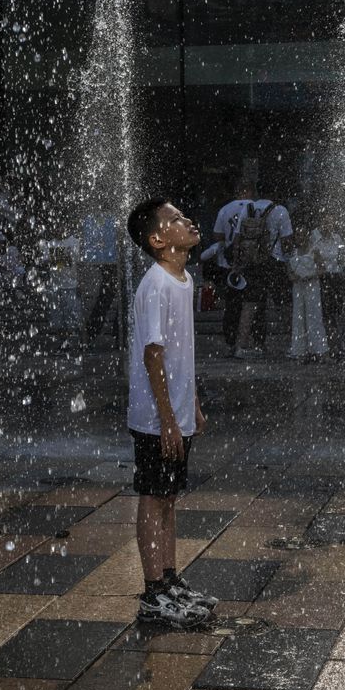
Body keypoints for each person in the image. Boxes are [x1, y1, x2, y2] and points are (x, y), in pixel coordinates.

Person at [125, 198, 218, 628]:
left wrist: (190, 405)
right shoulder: (156, 285)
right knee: (153, 495)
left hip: (175, 414)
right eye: (176, 219)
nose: (188, 221)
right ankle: (152, 593)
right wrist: (165, 419)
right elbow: (154, 357)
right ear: (159, 240)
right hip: (154, 419)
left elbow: (184, 355)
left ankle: (169, 578)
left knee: (168, 497)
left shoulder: (183, 280)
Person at [211, 180, 292, 358]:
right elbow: (287, 241)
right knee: (285, 304)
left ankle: (241, 346)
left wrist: (238, 263)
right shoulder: (280, 210)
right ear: (276, 193)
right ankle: (290, 344)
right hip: (275, 261)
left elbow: (238, 239)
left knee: (250, 304)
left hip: (253, 263)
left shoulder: (248, 208)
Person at [285, 228, 327, 362]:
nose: (300, 237)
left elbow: (322, 269)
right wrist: (294, 277)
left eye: (303, 234)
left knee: (314, 316)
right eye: (298, 235)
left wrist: (310, 276)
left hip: (312, 286)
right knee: (299, 317)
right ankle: (300, 350)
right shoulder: (292, 252)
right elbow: (289, 272)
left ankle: (318, 350)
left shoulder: (314, 251)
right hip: (298, 287)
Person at [310, 220, 345, 354]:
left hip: (336, 276)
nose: (327, 226)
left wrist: (341, 266)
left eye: (330, 222)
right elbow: (312, 255)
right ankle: (326, 344)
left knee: (336, 311)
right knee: (325, 312)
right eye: (325, 222)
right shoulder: (314, 237)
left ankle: (338, 344)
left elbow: (344, 254)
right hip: (322, 277)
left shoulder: (336, 238)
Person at [81, 212, 120, 340]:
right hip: (111, 261)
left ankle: (97, 330)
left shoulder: (108, 222)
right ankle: (96, 330)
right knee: (108, 295)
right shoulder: (109, 221)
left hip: (111, 261)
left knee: (108, 296)